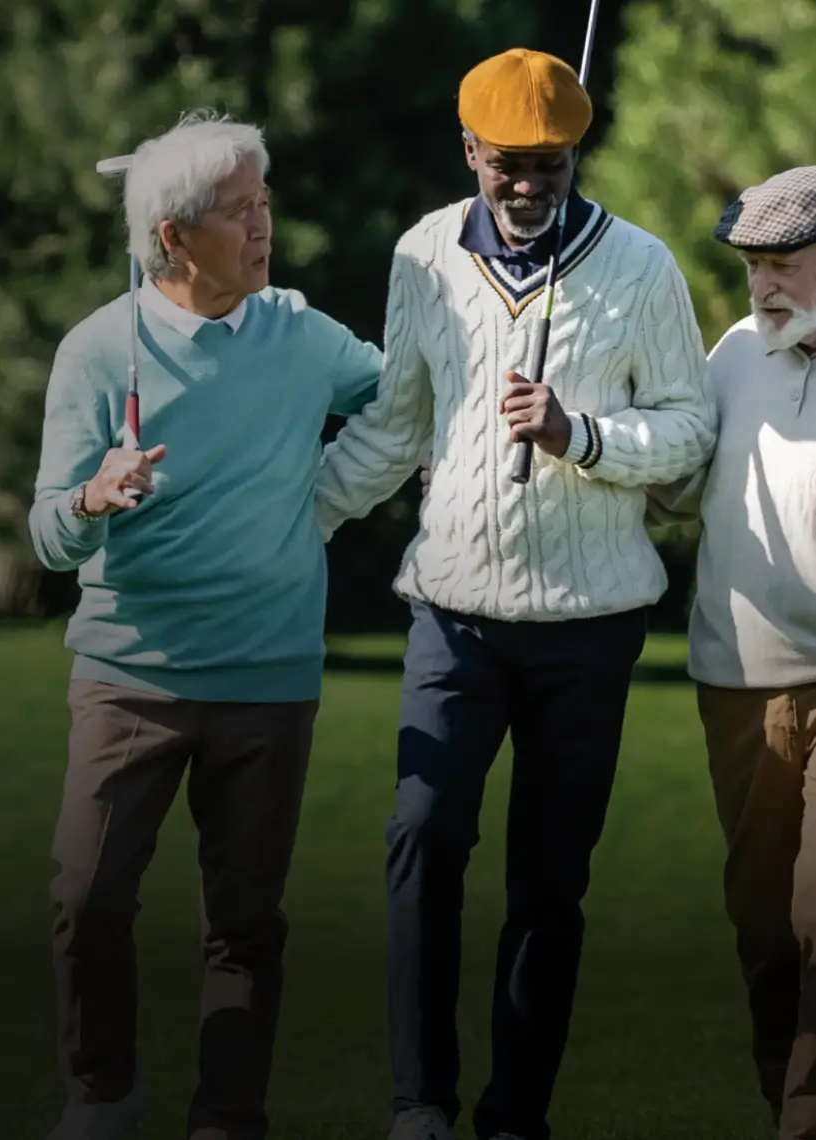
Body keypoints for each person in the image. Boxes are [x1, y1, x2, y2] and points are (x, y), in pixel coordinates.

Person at [312, 48, 717, 1140]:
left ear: (573, 153)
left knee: (548, 881)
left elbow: (688, 428)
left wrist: (578, 434)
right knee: (423, 833)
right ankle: (419, 1102)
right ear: (468, 151)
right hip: (453, 613)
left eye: (547, 164)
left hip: (590, 628)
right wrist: (289, 529)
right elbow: (395, 427)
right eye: (506, 165)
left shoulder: (640, 266)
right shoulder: (420, 257)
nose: (527, 185)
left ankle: (514, 1115)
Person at [28, 109, 383, 1140]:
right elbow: (49, 536)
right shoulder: (96, 352)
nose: (265, 225)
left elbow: (401, 399)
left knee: (245, 923)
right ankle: (101, 1093)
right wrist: (94, 497)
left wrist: (333, 490)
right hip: (128, 677)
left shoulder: (306, 338)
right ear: (174, 238)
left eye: (265, 202)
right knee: (87, 895)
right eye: (240, 210)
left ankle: (227, 1116)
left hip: (269, 678)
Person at [646, 165, 816, 1140]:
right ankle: (780, 1097)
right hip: (739, 685)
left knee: (812, 915)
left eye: (784, 265)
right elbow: (667, 485)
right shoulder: (733, 355)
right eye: (753, 268)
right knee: (762, 929)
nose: (762, 289)